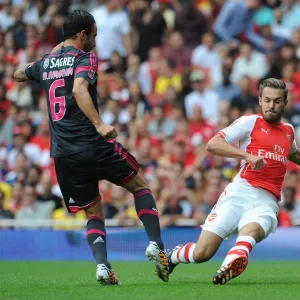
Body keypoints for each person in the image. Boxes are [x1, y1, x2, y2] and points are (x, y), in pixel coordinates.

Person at [13, 10, 168, 285]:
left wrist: (53, 53)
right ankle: (157, 246)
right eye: (94, 35)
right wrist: (98, 124)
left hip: (62, 154)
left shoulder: (45, 63)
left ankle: (103, 266)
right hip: (92, 144)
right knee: (140, 185)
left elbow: (17, 75)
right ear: (83, 35)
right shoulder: (85, 58)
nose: (95, 41)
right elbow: (79, 89)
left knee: (93, 211)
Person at [167, 78, 300, 285]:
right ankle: (173, 257)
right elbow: (213, 144)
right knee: (202, 253)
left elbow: (293, 154)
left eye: (276, 101)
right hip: (240, 192)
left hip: (266, 200)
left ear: (284, 102)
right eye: (267, 100)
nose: (271, 105)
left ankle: (230, 265)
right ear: (260, 100)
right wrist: (246, 156)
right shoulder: (250, 122)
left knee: (252, 230)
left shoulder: (289, 131)